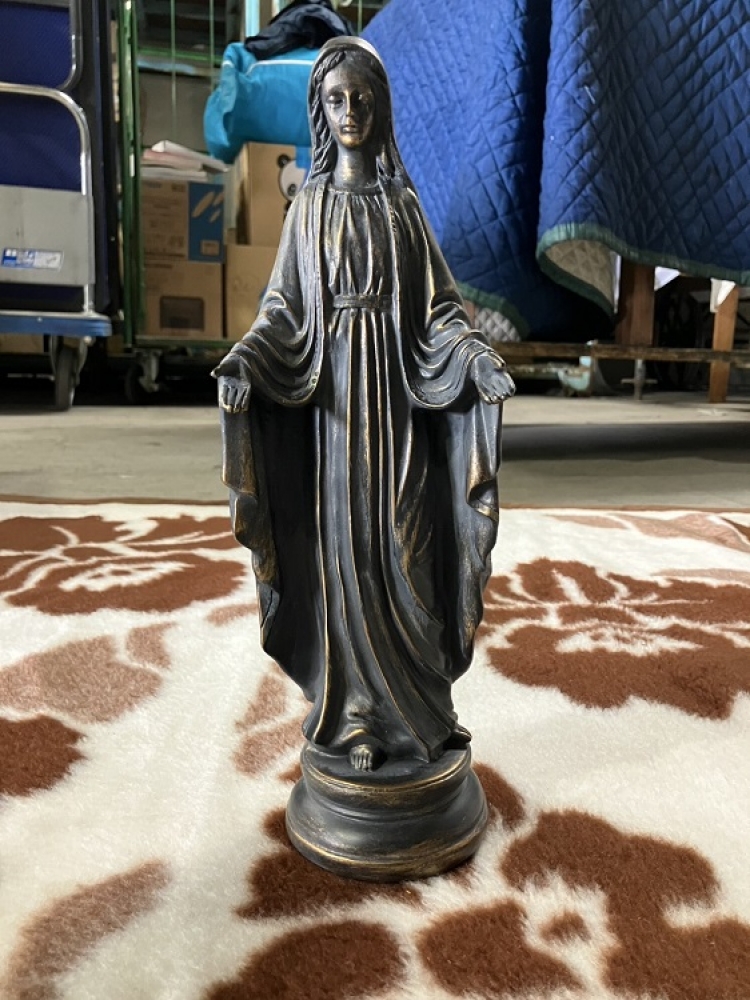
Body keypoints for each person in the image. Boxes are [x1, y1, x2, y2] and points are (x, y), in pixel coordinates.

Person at [214, 36, 514, 773]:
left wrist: (474, 357)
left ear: (381, 111)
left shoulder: (401, 207)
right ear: (320, 111)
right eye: (336, 100)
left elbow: (441, 311)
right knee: (345, 559)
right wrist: (247, 360)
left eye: (362, 100)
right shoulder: (309, 207)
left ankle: (423, 711)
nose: (350, 112)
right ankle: (355, 720)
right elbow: (282, 310)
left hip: (399, 408)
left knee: (410, 549)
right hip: (335, 415)